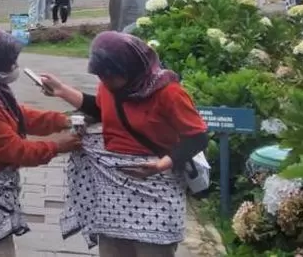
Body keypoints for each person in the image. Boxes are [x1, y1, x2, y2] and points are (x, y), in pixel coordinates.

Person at [39, 32, 209, 257]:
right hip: (113, 189)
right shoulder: (109, 87)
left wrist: (162, 164)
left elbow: (197, 136)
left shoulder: (169, 93)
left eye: (109, 76)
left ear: (130, 69)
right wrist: (62, 91)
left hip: (155, 187)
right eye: (100, 76)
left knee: (153, 250)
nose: (105, 81)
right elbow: (102, 110)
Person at [0, 31, 82, 256]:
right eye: (12, 62)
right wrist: (58, 146)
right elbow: (17, 151)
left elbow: (19, 115)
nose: (16, 67)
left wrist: (63, 120)